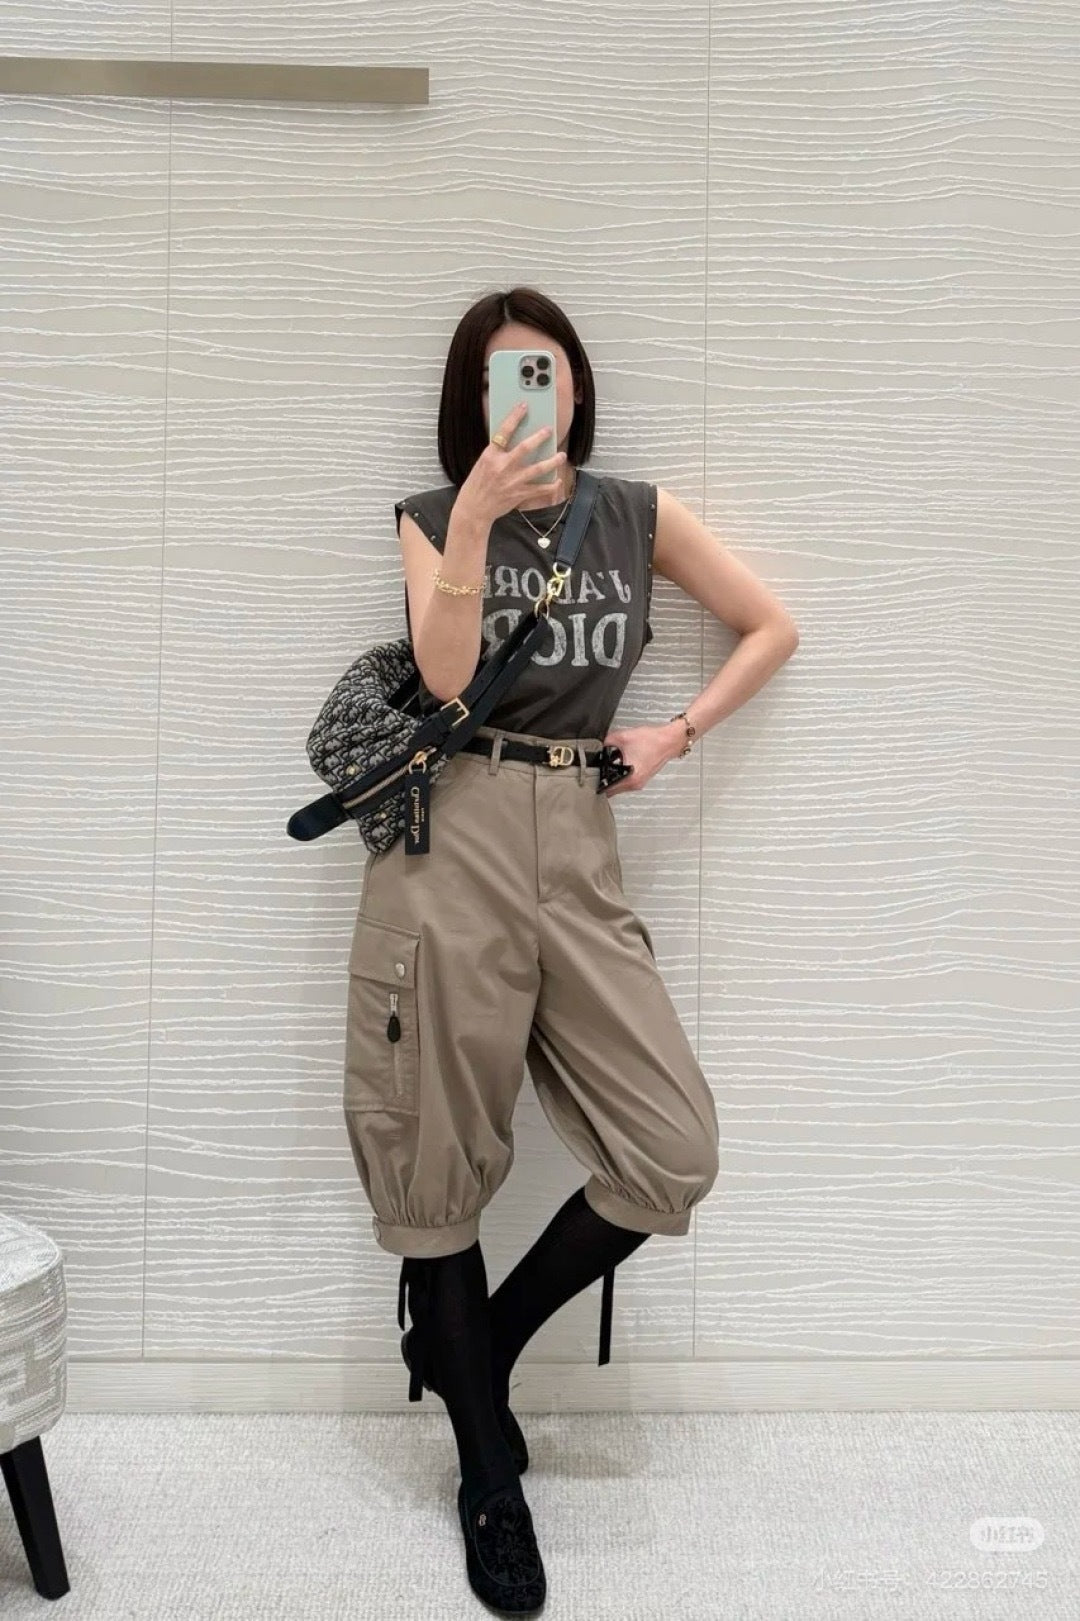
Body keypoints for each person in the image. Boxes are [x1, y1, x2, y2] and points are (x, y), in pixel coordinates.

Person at [343, 286, 799, 1613]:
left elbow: (771, 624)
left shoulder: (634, 516)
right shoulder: (434, 517)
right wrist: (472, 521)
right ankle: (489, 1473)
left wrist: (676, 732)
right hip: (453, 831)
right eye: (503, 379)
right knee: (437, 1144)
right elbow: (444, 679)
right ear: (474, 403)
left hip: (580, 830)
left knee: (672, 1144)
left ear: (577, 385)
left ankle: (474, 1350)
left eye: (544, 372)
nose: (528, 397)